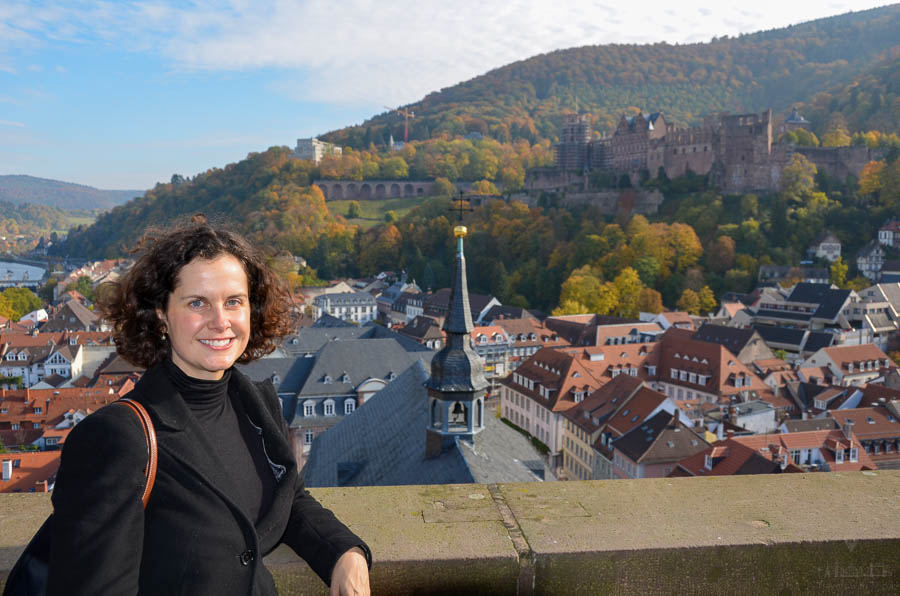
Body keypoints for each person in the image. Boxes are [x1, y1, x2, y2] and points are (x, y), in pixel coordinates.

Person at [47, 217, 371, 595]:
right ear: (160, 315)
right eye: (197, 303)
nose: (221, 322)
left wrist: (344, 553)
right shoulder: (117, 438)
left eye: (234, 301)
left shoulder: (256, 404)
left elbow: (288, 498)